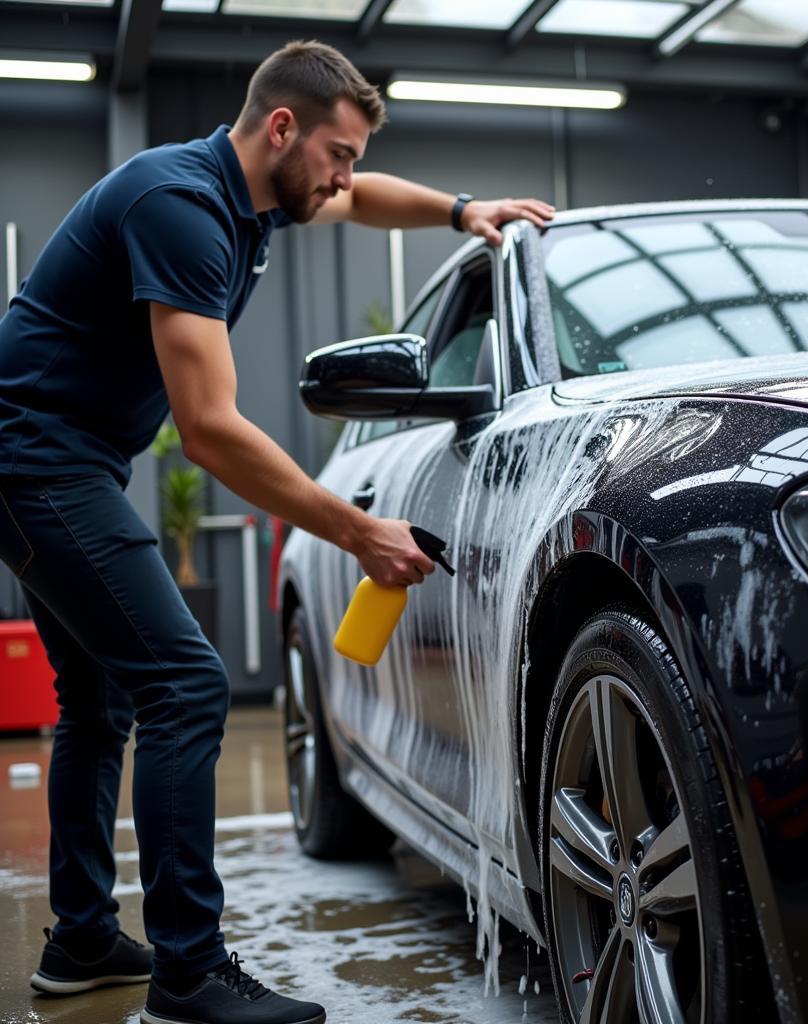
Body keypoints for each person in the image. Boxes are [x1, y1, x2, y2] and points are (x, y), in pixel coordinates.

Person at [0, 39, 554, 1024]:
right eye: (336, 153)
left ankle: (82, 939)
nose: (342, 178)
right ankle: (189, 972)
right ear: (282, 128)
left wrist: (462, 212)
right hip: (32, 460)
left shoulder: (255, 193)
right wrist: (359, 533)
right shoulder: (181, 206)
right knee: (186, 681)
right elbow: (210, 431)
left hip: (55, 459)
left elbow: (360, 196)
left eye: (351, 159)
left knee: (101, 696)